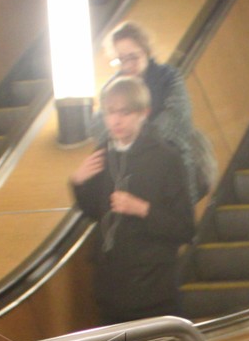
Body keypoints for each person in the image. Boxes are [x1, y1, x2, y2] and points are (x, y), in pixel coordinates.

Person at [70, 75, 196, 324]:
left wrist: (141, 209)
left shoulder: (166, 158)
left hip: (153, 291)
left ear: (143, 113)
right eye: (110, 112)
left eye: (124, 112)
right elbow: (95, 212)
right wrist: (78, 183)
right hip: (110, 291)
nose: (115, 120)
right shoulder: (103, 155)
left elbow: (185, 228)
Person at [110, 21, 213, 203]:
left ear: (146, 52)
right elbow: (101, 127)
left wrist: (134, 139)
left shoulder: (168, 78)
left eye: (133, 57)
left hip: (173, 172)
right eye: (122, 59)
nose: (128, 65)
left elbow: (177, 120)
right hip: (132, 179)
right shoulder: (114, 88)